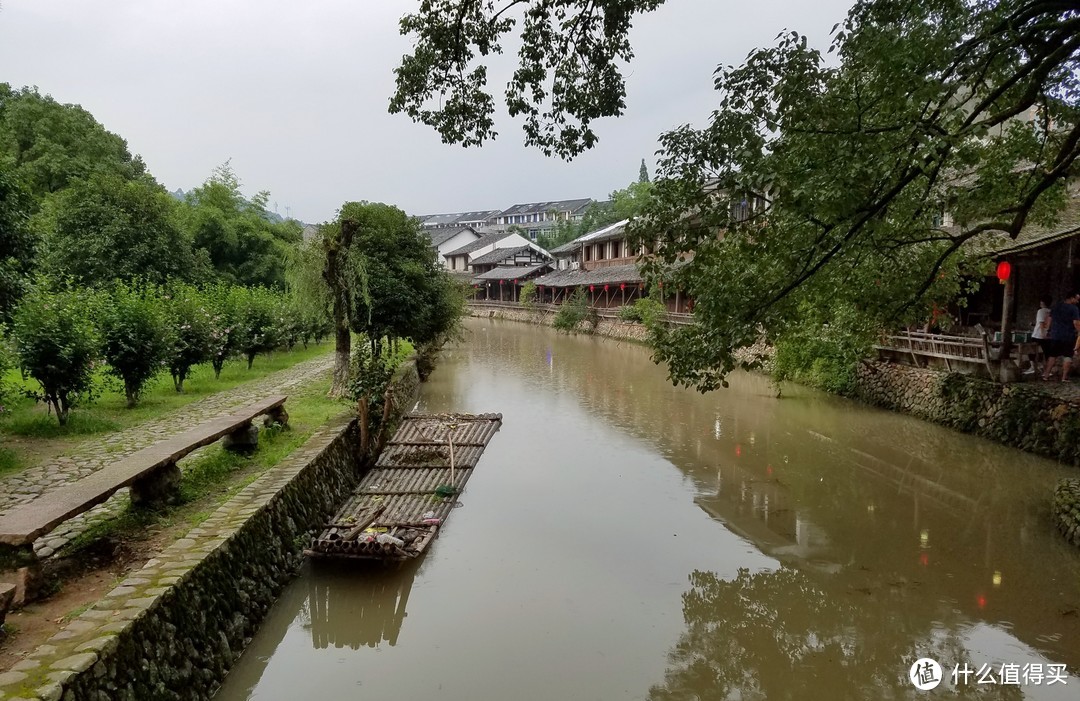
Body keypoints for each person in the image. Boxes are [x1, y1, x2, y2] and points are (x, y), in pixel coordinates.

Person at [1042, 291, 1080, 381]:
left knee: (1052, 355)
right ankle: (1064, 377)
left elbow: (1049, 320)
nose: (1078, 301)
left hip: (1055, 335)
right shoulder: (1073, 308)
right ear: (1071, 298)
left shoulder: (1056, 306)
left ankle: (1046, 375)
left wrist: (1047, 330)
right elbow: (1076, 323)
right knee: (1067, 356)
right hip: (1068, 336)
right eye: (1077, 299)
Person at [1029, 296, 1052, 374]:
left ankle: (1033, 367)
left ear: (1042, 303)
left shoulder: (1041, 311)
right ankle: (1046, 369)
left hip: (1038, 335)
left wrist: (1042, 333)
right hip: (1048, 334)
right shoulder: (1050, 311)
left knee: (1031, 350)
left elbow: (1041, 323)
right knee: (1047, 352)